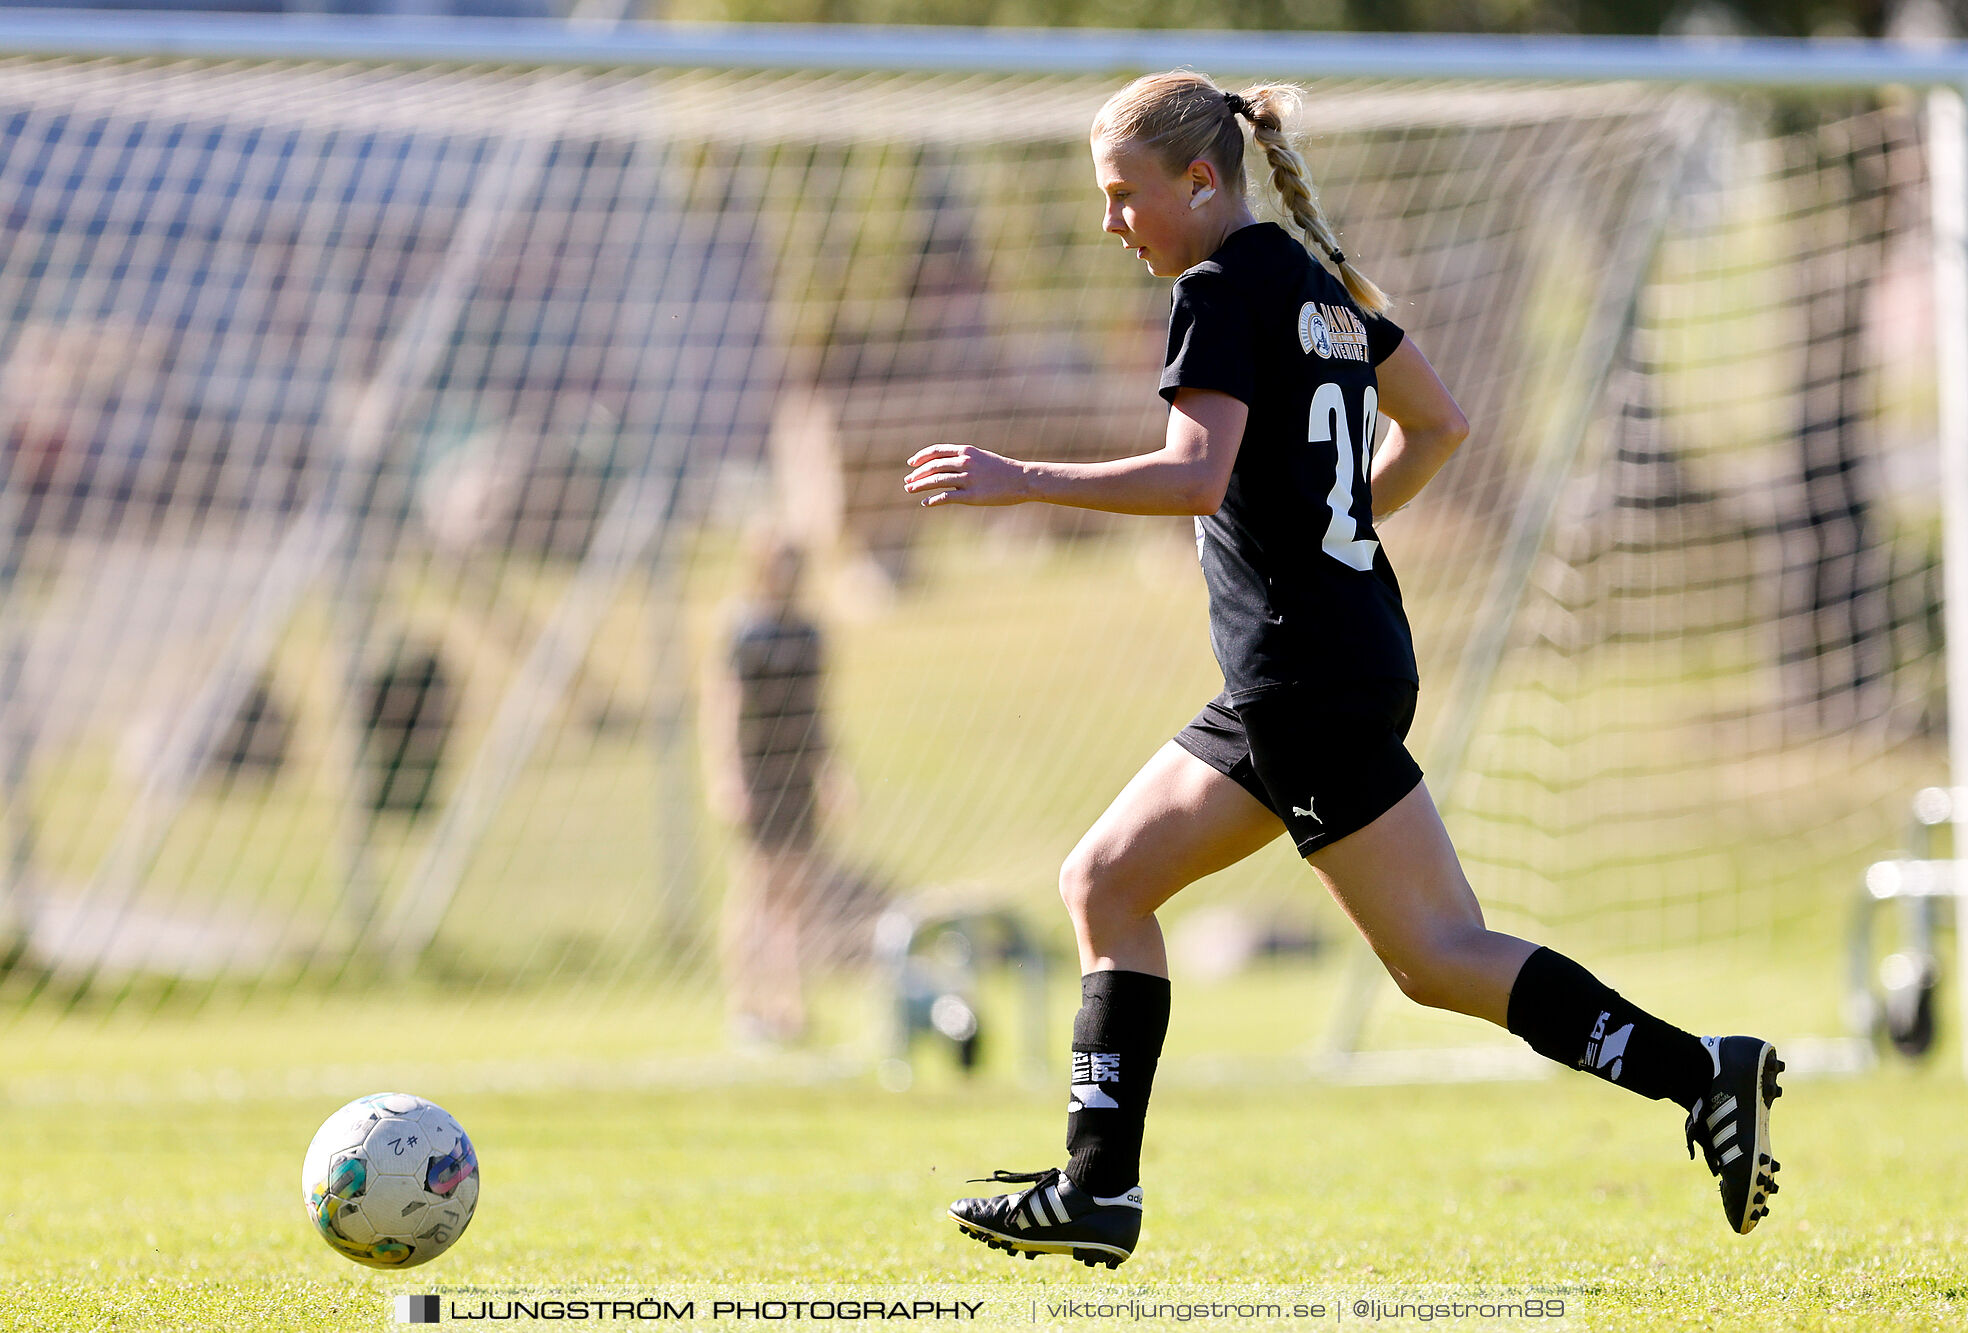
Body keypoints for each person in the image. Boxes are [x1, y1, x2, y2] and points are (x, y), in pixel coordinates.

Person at [903, 72, 1783, 1270]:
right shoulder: (1319, 279)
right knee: (1135, 885)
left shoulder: (1216, 287)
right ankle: (1703, 1074)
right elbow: (1444, 424)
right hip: (1345, 654)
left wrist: (1023, 477)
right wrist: (1332, 530)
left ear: (1202, 181)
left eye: (1125, 196)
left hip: (1299, 678)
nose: (1114, 223)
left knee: (1401, 947)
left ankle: (1101, 1189)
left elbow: (1196, 475)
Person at [704, 530, 851, 1046]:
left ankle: (790, 1007)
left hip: (799, 776)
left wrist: (832, 772)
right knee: (756, 889)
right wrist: (725, 774)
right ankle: (745, 1006)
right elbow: (722, 706)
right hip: (758, 775)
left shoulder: (810, 633)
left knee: (797, 894)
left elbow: (819, 711)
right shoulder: (744, 631)